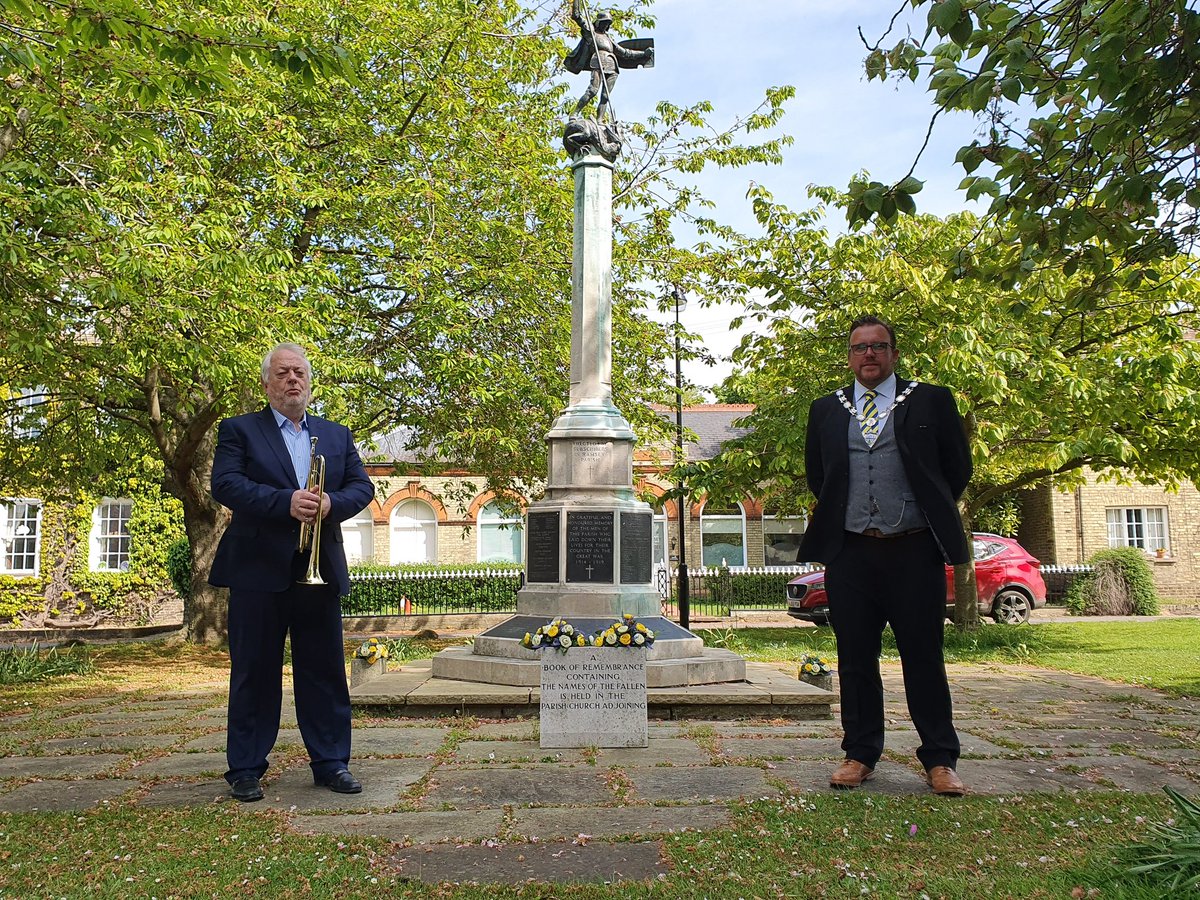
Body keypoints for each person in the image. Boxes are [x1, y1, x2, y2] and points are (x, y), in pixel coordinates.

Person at [798, 315, 973, 796]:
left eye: (878, 347)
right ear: (850, 356)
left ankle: (940, 759)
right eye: (859, 348)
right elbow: (820, 475)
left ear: (894, 353)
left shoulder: (931, 400)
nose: (869, 355)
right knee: (855, 658)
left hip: (914, 549)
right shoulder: (826, 409)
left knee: (923, 656)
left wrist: (919, 507)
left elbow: (956, 469)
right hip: (851, 552)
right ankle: (860, 754)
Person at [209, 343, 374, 803]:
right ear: (267, 384)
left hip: (318, 570)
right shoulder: (239, 430)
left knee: (324, 671)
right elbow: (225, 483)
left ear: (309, 380)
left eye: (298, 372)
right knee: (254, 672)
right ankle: (245, 768)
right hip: (257, 572)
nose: (291, 381)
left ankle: (330, 762)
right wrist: (286, 502)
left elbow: (362, 486)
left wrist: (329, 503)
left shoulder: (336, 435)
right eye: (281, 374)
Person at [565, 1, 653, 122]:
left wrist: (643, 54)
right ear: (599, 22)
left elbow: (626, 53)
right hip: (598, 62)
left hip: (612, 66)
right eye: (604, 22)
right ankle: (575, 113)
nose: (606, 25)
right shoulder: (591, 33)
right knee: (592, 91)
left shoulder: (609, 39)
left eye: (608, 23)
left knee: (605, 96)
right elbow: (577, 16)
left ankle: (600, 120)